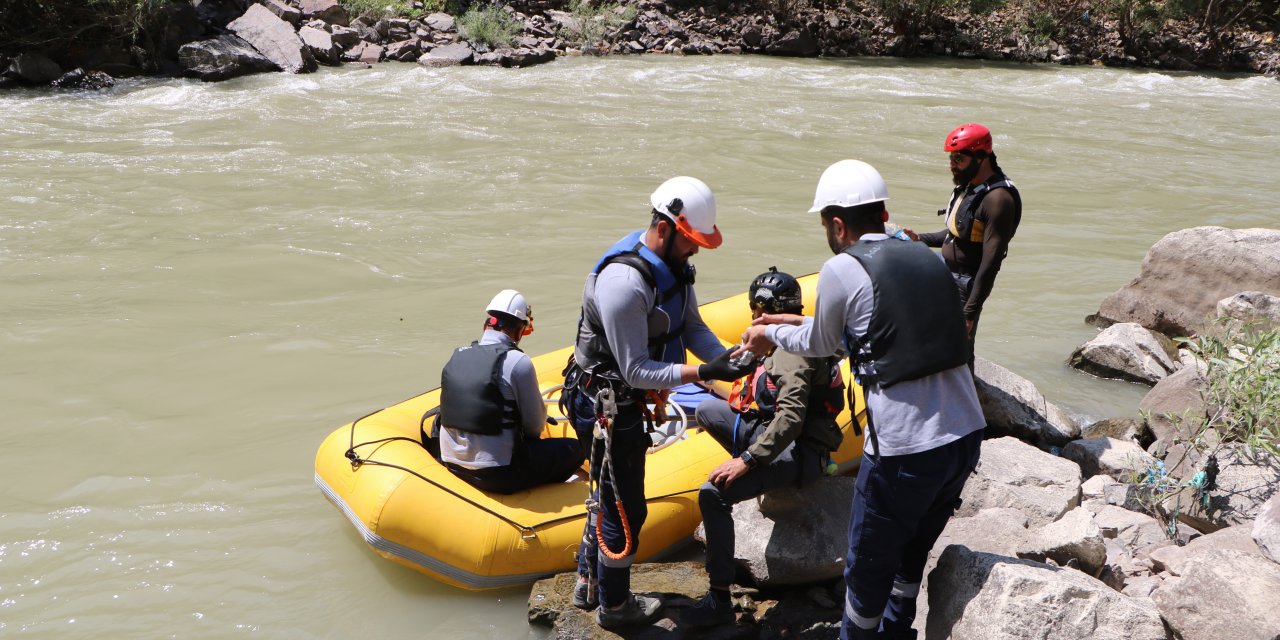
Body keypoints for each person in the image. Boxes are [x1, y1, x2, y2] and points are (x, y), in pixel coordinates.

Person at [742, 160, 986, 640]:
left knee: (866, 566)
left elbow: (821, 345)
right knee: (913, 551)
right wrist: (789, 324)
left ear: (837, 224)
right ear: (883, 212)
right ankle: (898, 632)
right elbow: (865, 333)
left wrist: (769, 332)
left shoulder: (842, 267)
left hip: (904, 450)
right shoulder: (927, 256)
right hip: (964, 435)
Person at [563, 176, 753, 629]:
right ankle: (614, 608)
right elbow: (635, 370)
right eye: (691, 242)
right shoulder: (624, 285)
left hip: (623, 399)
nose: (697, 251)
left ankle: (590, 582)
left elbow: (691, 326)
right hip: (605, 402)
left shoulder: (675, 267)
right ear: (665, 230)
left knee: (614, 498)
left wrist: (728, 360)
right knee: (628, 508)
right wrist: (705, 374)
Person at [682, 267, 846, 629]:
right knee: (710, 410)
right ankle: (759, 476)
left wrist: (746, 462)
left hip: (799, 452)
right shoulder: (798, 334)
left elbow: (791, 419)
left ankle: (718, 598)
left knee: (713, 493)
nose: (754, 316)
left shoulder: (792, 351)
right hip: (781, 437)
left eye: (757, 308)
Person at [437, 290, 584, 495]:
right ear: (519, 329)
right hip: (497, 475)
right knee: (575, 449)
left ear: (487, 325)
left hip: (452, 463)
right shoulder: (517, 362)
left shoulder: (457, 356)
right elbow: (534, 427)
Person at [906, 123, 1022, 344]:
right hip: (945, 269)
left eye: (958, 159)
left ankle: (964, 377)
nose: (952, 165)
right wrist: (919, 239)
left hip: (965, 283)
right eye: (951, 159)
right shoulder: (971, 186)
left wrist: (969, 313)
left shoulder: (998, 201)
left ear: (981, 157)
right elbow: (957, 235)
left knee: (957, 349)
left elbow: (990, 263)